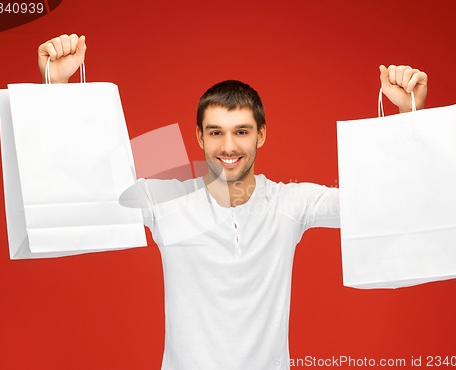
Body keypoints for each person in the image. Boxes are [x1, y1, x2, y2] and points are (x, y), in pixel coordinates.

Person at [38, 34, 428, 370]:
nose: (228, 147)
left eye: (241, 131)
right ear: (199, 138)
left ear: (261, 135)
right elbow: (82, 190)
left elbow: (383, 202)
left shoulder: (293, 203)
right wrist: (57, 87)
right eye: (216, 133)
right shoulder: (164, 200)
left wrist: (408, 117)